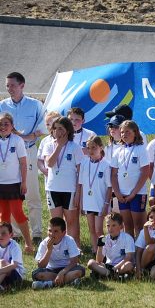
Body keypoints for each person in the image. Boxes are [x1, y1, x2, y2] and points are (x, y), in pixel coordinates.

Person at [1, 72, 46, 243]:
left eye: (12, 85)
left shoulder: (35, 105)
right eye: (7, 85)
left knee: (32, 191)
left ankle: (36, 232)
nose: (9, 89)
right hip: (7, 153)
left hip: (29, 151)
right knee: (9, 191)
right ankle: (15, 233)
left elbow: (44, 128)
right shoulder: (2, 105)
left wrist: (25, 137)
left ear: (22, 85)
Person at [42, 116, 83, 246]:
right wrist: (58, 146)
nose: (57, 132)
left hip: (69, 189)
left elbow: (80, 172)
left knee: (71, 221)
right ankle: (57, 248)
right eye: (55, 128)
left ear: (68, 131)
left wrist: (78, 192)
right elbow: (49, 163)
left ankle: (74, 247)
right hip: (53, 188)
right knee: (56, 221)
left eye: (61, 128)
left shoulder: (75, 147)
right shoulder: (49, 145)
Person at [110, 120, 150, 238]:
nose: (124, 134)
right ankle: (130, 254)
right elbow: (113, 174)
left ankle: (140, 254)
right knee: (127, 226)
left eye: (127, 132)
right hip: (122, 194)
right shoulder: (118, 150)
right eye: (122, 132)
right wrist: (117, 192)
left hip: (137, 194)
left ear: (135, 132)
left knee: (138, 226)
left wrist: (133, 193)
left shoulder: (141, 149)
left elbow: (145, 172)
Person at [0, 113, 33, 252]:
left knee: (18, 213)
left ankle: (29, 244)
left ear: (12, 126)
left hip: (14, 184)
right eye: (0, 124)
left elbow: (23, 164)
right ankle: (6, 245)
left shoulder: (17, 140)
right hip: (0, 184)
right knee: (4, 216)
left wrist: (23, 182)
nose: (3, 127)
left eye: (6, 124)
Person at [79, 136, 112, 254]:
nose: (91, 150)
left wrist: (106, 204)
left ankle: (103, 252)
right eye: (88, 148)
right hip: (88, 202)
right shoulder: (84, 162)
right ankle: (94, 250)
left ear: (101, 147)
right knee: (91, 229)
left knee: (99, 230)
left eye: (94, 147)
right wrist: (81, 203)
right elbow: (81, 184)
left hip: (100, 202)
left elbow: (109, 187)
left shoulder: (106, 165)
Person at [32, 217, 85, 289]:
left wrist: (62, 273)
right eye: (50, 231)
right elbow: (41, 265)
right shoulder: (44, 243)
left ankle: (50, 284)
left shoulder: (69, 240)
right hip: (51, 270)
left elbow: (74, 262)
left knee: (78, 271)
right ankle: (69, 281)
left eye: (56, 231)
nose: (52, 234)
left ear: (63, 233)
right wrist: (49, 250)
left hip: (68, 269)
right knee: (37, 274)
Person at [87, 212, 135, 279]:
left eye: (113, 225)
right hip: (108, 265)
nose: (110, 229)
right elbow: (99, 261)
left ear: (121, 226)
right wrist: (100, 246)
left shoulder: (127, 238)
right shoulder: (105, 238)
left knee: (129, 265)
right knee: (91, 263)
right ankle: (112, 275)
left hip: (120, 266)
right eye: (108, 226)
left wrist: (115, 268)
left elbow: (128, 257)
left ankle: (106, 274)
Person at [134, 205, 155, 279]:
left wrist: (145, 228)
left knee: (153, 275)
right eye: (151, 217)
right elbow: (139, 251)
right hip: (145, 260)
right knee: (149, 248)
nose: (153, 220)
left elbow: (150, 242)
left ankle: (145, 272)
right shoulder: (143, 231)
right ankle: (141, 270)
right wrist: (138, 268)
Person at [0, 221, 26, 290]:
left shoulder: (14, 246)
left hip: (16, 274)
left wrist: (1, 270)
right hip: (3, 274)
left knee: (2, 262)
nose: (0, 235)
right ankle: (3, 286)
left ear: (11, 235)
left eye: (3, 233)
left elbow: (14, 265)